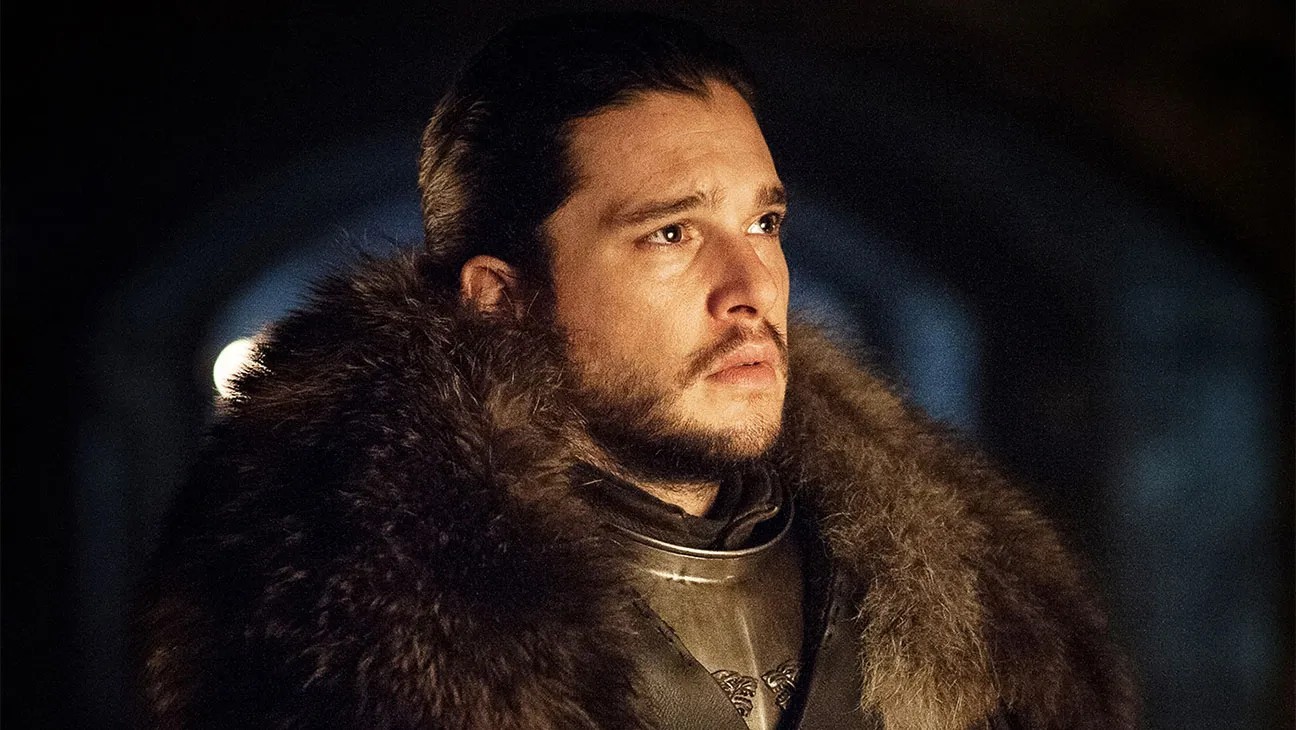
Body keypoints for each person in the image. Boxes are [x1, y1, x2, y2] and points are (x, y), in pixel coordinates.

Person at [141, 12, 1136, 730]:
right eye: (671, 232)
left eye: (764, 222)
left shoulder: (970, 607)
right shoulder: (337, 648)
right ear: (503, 299)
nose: (752, 287)